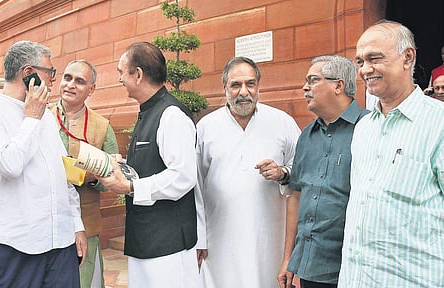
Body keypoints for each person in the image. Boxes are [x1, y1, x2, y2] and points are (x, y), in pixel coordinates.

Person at [0, 40, 86, 287]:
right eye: (50, 73)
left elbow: (63, 173)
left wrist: (76, 225)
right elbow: (10, 164)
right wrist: (31, 119)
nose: (54, 80)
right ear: (28, 74)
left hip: (61, 242)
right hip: (17, 244)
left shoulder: (46, 117)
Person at [339, 20, 444, 287]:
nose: (365, 69)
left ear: (408, 57)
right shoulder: (363, 128)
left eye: (375, 58)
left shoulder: (438, 124)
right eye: (360, 61)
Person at [95, 42, 200, 288]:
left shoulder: (171, 115)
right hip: (146, 239)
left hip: (167, 245)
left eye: (122, 71)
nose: (119, 78)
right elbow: (154, 165)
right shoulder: (149, 111)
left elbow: (182, 176)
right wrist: (126, 168)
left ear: (138, 75)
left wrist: (131, 187)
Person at [195, 56, 301, 288]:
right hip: (220, 236)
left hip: (270, 236)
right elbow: (196, 186)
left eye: (250, 84)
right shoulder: (205, 127)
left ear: (258, 86)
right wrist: (199, 236)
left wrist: (282, 172)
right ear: (224, 88)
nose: (244, 91)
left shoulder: (282, 122)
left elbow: (303, 171)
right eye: (236, 85)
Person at [276, 55, 369, 288]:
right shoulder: (306, 136)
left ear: (339, 85)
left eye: (313, 80)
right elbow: (296, 195)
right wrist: (289, 258)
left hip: (355, 266)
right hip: (312, 269)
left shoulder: (370, 128)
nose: (305, 87)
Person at [49, 59, 119, 288]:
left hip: (85, 223)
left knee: (83, 281)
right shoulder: (41, 116)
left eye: (80, 81)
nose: (70, 85)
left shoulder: (102, 126)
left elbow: (114, 177)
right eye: (67, 78)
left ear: (92, 89)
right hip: (44, 218)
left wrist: (89, 176)